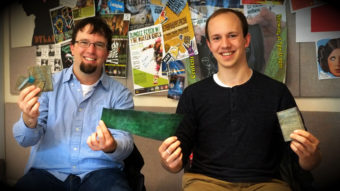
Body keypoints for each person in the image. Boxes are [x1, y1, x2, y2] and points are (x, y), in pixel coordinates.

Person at [159, 8, 321, 191]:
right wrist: (169, 162)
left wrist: (310, 157)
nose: (225, 44)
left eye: (232, 35)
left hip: (266, 183)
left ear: (247, 40)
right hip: (205, 182)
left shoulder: (278, 93)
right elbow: (174, 162)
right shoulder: (193, 95)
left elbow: (302, 157)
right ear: (210, 46)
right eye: (217, 38)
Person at [13, 17, 134, 191]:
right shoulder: (45, 84)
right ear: (72, 48)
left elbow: (126, 144)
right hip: (46, 174)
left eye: (99, 45)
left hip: (102, 175)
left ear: (107, 53)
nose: (91, 50)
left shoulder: (121, 94)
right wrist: (28, 120)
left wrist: (112, 145)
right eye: (84, 42)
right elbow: (24, 140)